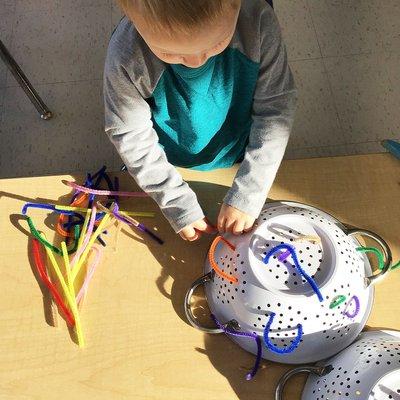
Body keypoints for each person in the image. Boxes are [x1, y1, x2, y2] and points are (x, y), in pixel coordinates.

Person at [104, 0, 297, 241]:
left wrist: (249, 192)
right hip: (168, 159)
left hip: (240, 149)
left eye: (215, 44)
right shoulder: (126, 54)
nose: (196, 62)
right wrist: (176, 200)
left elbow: (275, 110)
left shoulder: (258, 22)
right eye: (169, 52)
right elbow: (130, 135)